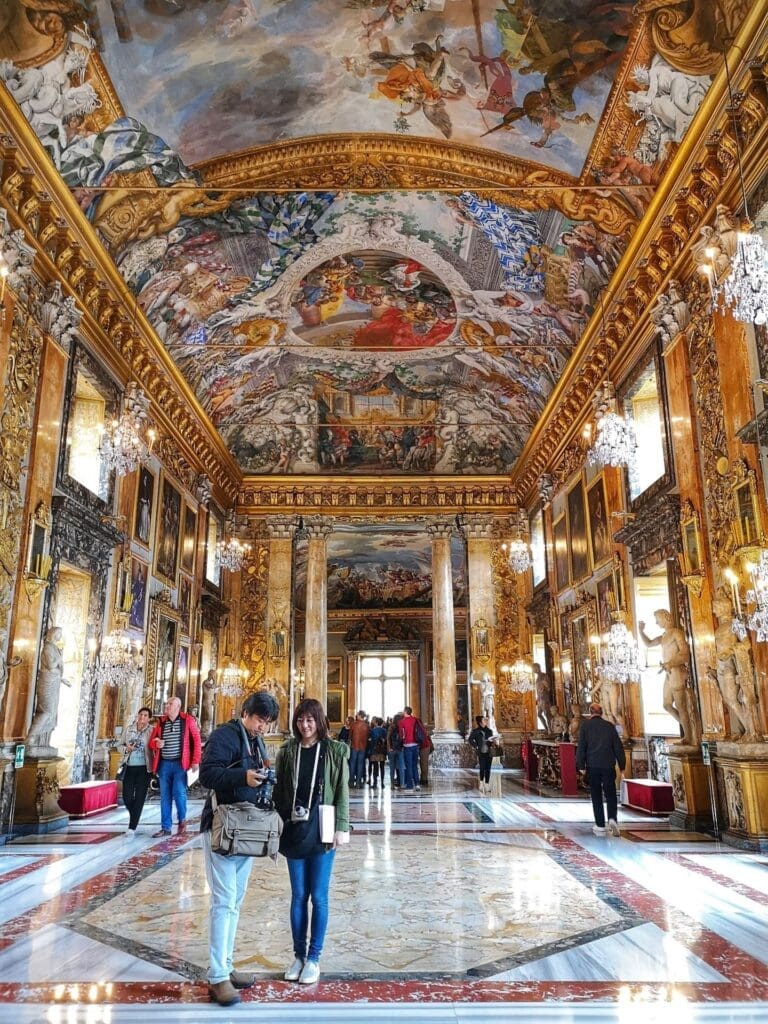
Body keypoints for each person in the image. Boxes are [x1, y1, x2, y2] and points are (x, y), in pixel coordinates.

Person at [199, 690, 280, 1007]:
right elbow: (206, 775)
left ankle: (227, 966)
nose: (263, 727)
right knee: (223, 901)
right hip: (222, 827)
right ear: (247, 712)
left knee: (235, 901)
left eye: (267, 722)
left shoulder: (255, 741)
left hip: (246, 830)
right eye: (261, 719)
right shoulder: (225, 735)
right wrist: (243, 776)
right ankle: (217, 977)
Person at [274, 698, 350, 986]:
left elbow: (342, 791)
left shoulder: (334, 750)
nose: (304, 725)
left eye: (310, 720)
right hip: (293, 828)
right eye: (300, 720)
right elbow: (280, 792)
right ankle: (298, 955)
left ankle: (314, 958)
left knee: (318, 896)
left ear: (319, 721)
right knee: (298, 895)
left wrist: (342, 827)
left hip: (323, 827)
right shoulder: (288, 751)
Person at [639, 610, 699, 745]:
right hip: (668, 673)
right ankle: (688, 729)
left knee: (681, 706)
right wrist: (641, 631)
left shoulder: (676, 633)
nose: (656, 622)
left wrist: (670, 663)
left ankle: (689, 737)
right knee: (666, 705)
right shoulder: (664, 636)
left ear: (665, 618)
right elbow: (648, 643)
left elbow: (685, 654)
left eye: (657, 619)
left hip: (677, 671)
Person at [149, 696, 201, 837]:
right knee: (165, 796)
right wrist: (156, 742)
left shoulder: (187, 720)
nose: (167, 706)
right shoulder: (161, 722)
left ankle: (182, 821)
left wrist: (196, 761)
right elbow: (151, 742)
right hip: (164, 764)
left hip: (180, 764)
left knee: (179, 793)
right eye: (166, 704)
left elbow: (196, 740)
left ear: (178, 707)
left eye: (170, 704)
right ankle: (165, 827)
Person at [576, 702, 626, 837]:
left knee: (596, 795)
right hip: (608, 765)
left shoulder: (585, 726)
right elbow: (618, 747)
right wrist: (622, 766)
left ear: (590, 712)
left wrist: (581, 766)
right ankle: (612, 819)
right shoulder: (609, 726)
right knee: (610, 794)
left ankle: (600, 824)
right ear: (602, 712)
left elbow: (582, 747)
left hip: (593, 766)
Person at [120, 706, 153, 836]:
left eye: (145, 715)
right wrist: (126, 749)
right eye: (141, 714)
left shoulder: (152, 731)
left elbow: (155, 747)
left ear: (149, 718)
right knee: (127, 796)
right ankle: (135, 813)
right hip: (129, 766)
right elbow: (119, 744)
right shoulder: (129, 730)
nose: (142, 717)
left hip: (144, 768)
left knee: (139, 797)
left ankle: (132, 827)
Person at [468, 715, 496, 793]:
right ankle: (481, 783)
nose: (486, 721)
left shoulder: (489, 731)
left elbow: (491, 740)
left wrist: (492, 741)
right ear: (480, 722)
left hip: (489, 751)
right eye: (484, 720)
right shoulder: (476, 731)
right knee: (482, 768)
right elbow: (470, 739)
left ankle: (487, 784)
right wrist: (476, 746)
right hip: (481, 751)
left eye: (486, 720)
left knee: (488, 768)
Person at [398, 705, 422, 791]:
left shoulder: (402, 722)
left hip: (407, 745)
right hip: (416, 745)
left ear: (405, 712)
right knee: (415, 765)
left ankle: (409, 785)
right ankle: (417, 784)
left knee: (408, 766)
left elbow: (401, 735)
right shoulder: (415, 720)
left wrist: (400, 743)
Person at [348, 710, 369, 788]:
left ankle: (351, 782)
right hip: (363, 747)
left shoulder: (354, 725)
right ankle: (358, 783)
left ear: (360, 715)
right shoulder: (366, 725)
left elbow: (350, 736)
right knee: (360, 765)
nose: (356, 715)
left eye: (357, 714)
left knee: (352, 764)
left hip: (354, 746)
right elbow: (368, 737)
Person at [368, 716, 387, 788]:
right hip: (382, 751)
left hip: (374, 751)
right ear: (382, 723)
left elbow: (370, 740)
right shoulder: (384, 730)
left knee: (375, 767)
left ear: (376, 723)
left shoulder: (372, 730)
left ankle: (375, 783)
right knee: (382, 767)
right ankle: (382, 783)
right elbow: (385, 740)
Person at [387, 712, 405, 788]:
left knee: (392, 768)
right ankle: (402, 784)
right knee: (401, 767)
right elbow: (403, 738)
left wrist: (389, 748)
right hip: (400, 749)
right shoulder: (402, 727)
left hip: (392, 750)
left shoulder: (391, 727)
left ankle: (392, 784)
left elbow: (388, 738)